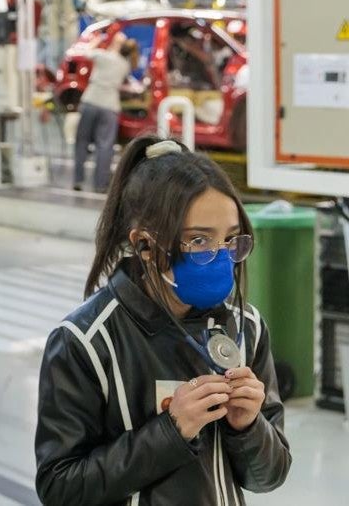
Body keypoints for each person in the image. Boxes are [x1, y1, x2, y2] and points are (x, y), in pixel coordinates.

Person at [35, 136, 291, 505]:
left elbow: (270, 476)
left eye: (231, 241)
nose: (221, 259)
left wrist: (249, 427)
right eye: (199, 242)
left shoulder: (246, 327)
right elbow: (61, 488)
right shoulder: (85, 342)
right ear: (146, 246)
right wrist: (171, 432)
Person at [73, 31, 133, 192]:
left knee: (82, 142)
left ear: (114, 44)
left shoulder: (103, 56)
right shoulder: (125, 65)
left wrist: (97, 40)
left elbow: (85, 53)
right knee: (105, 146)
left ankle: (78, 180)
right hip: (110, 106)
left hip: (91, 101)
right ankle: (100, 185)